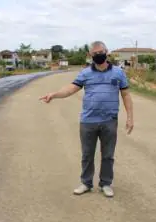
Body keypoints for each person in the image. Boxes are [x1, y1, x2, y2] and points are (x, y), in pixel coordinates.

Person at [39, 41, 134, 198]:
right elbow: (71, 88)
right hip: (88, 121)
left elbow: (125, 95)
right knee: (87, 154)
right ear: (91, 55)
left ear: (107, 52)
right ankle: (86, 183)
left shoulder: (118, 73)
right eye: (95, 54)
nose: (98, 55)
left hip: (109, 120)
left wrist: (130, 117)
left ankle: (106, 184)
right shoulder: (85, 73)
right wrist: (54, 94)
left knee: (108, 155)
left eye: (100, 52)